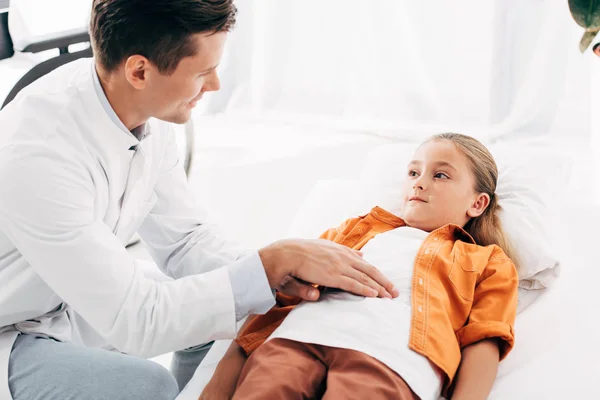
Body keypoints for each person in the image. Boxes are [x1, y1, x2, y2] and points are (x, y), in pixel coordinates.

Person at [0, 1, 398, 399]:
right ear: (140, 70)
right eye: (204, 72)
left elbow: (186, 241)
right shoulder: (39, 154)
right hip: (11, 324)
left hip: (64, 297)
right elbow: (137, 322)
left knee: (230, 313)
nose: (216, 86)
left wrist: (279, 276)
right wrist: (270, 263)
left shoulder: (139, 112)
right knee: (146, 386)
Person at [200, 133, 519, 400]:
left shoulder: (487, 261)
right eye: (413, 173)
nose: (419, 184)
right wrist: (219, 383)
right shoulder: (354, 229)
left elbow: (483, 340)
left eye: (440, 175)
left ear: (477, 203)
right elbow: (280, 295)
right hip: (298, 337)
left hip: (389, 358)